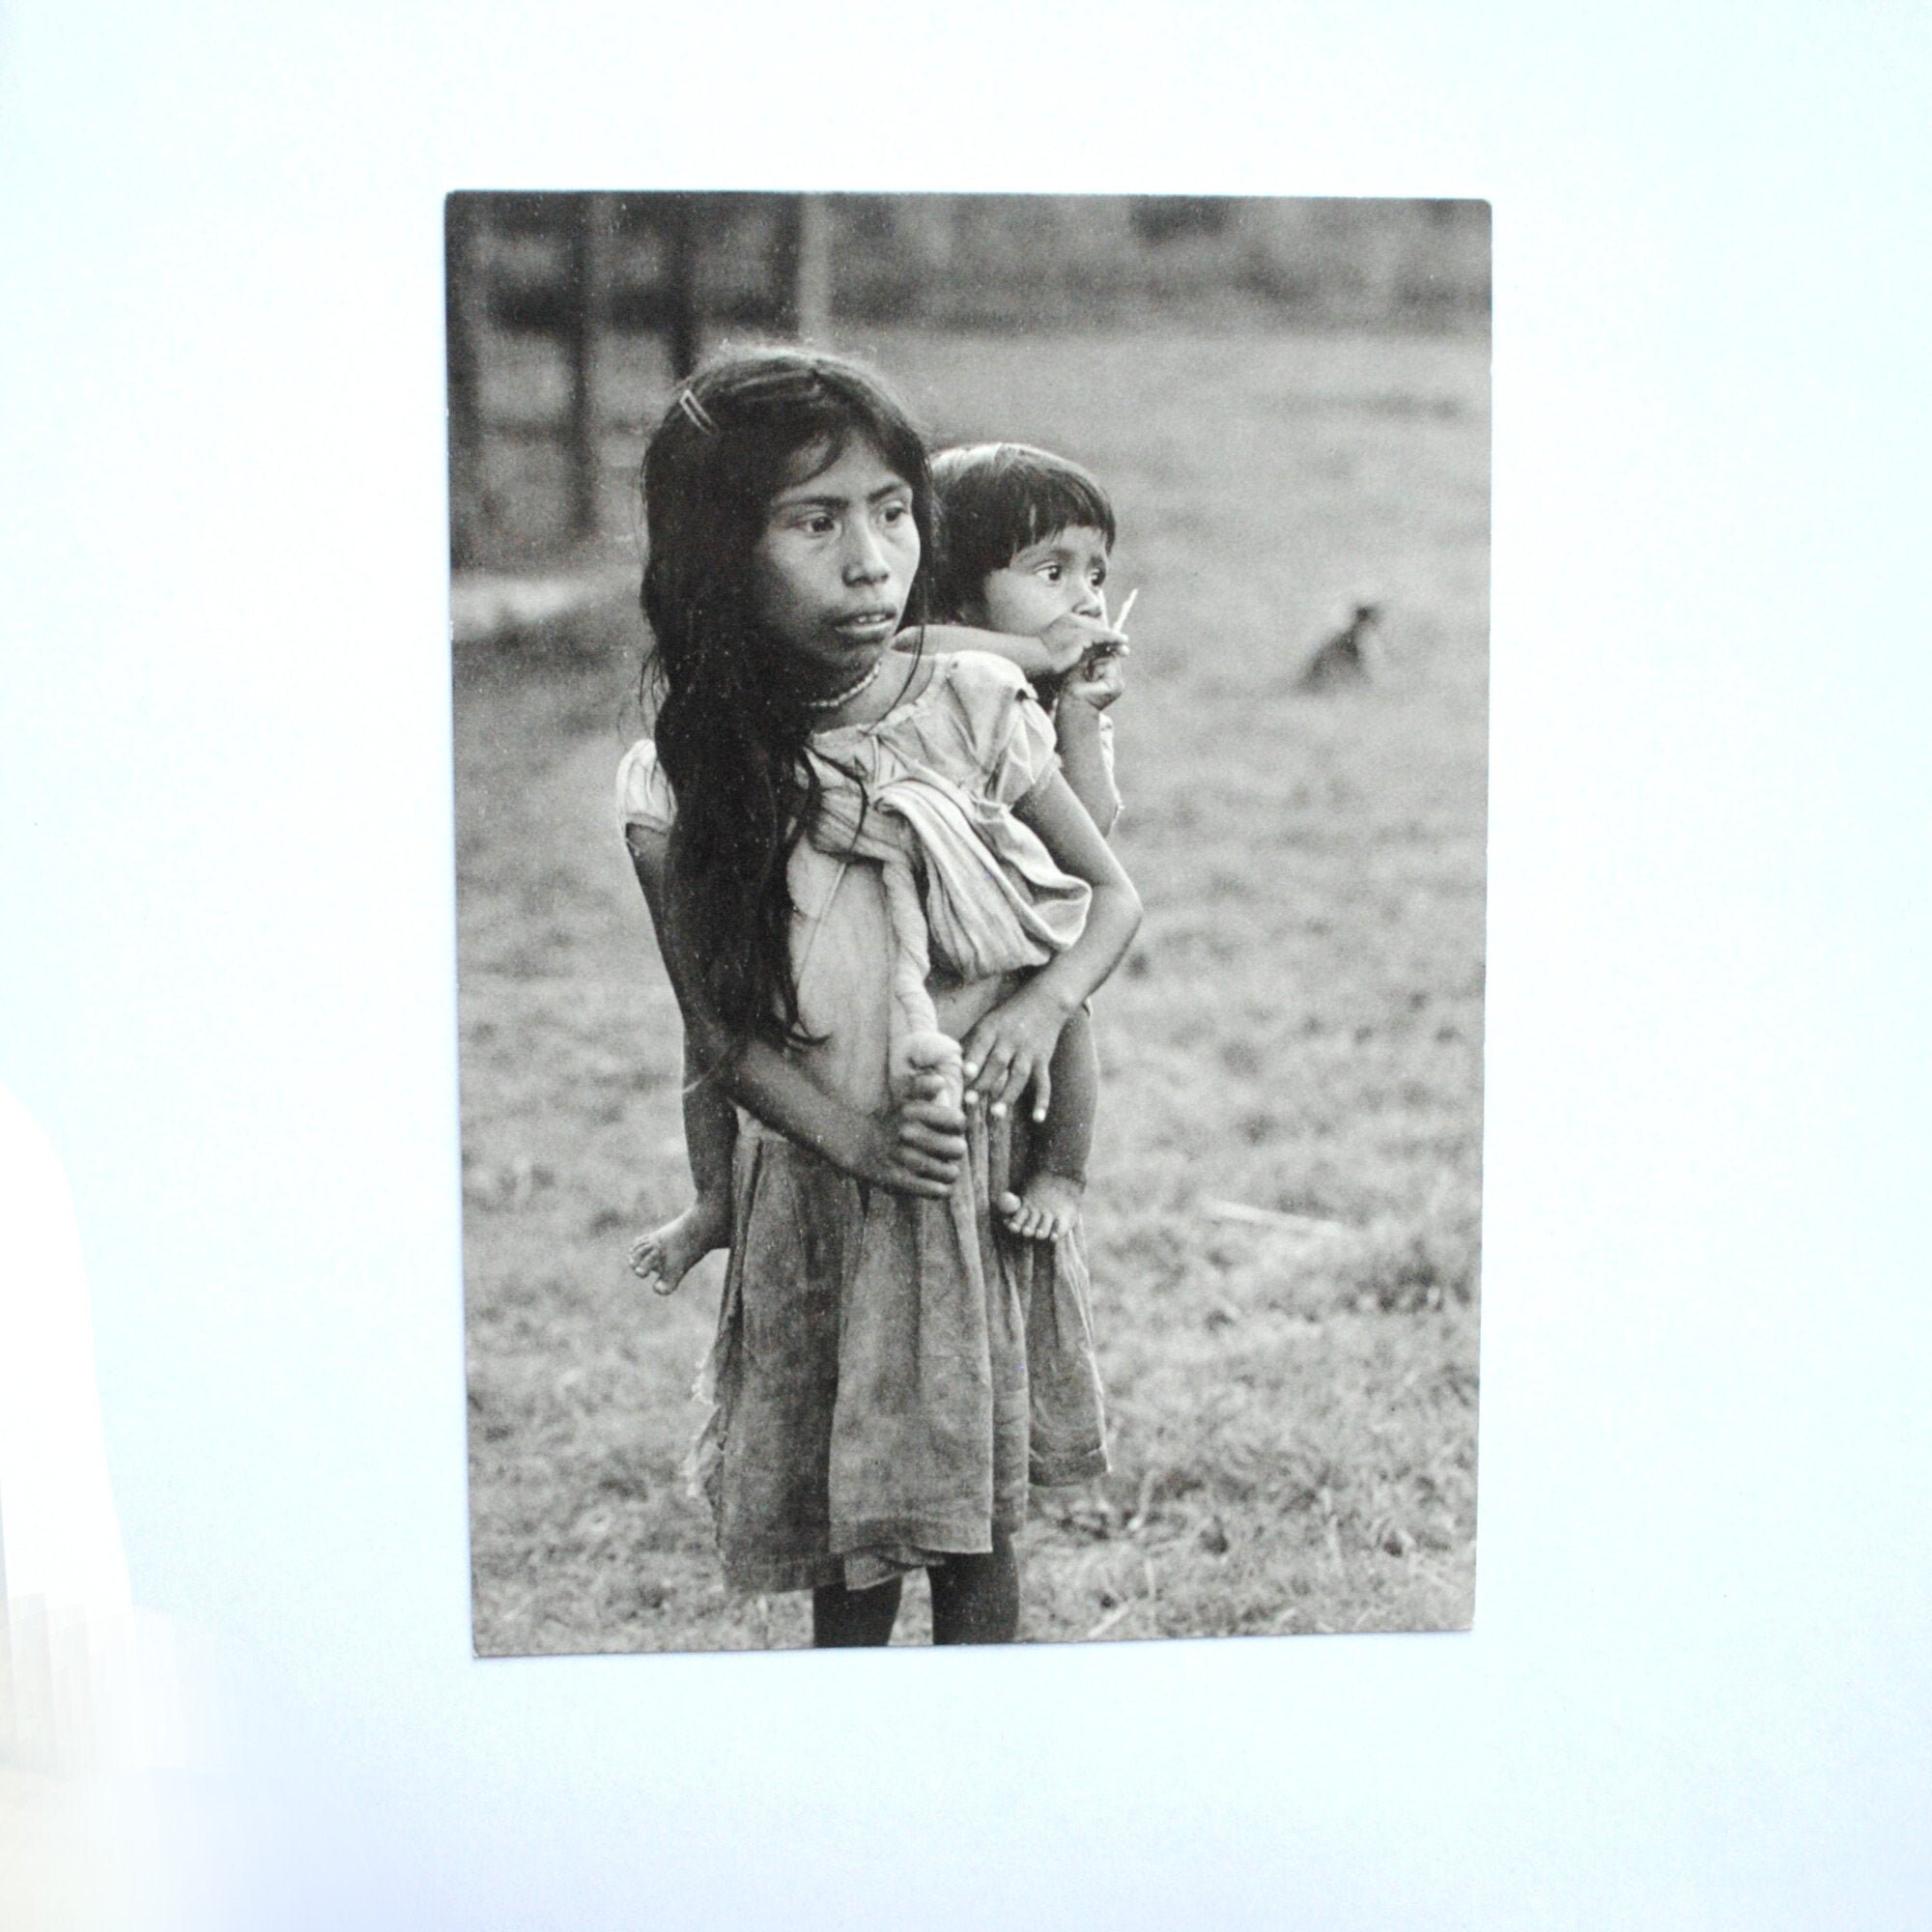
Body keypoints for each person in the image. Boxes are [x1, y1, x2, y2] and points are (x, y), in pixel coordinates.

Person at [615, 348, 1141, 1645]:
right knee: (846, 1552)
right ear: (716, 552)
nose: (870, 562)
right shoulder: (678, 784)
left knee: (977, 1537)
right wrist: (855, 1142)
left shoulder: (970, 705)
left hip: (971, 1183)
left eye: (893, 512)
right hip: (816, 1192)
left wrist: (1037, 1008)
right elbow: (721, 1038)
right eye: (813, 521)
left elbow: (1113, 897)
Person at [910, 441, 1132, 1244]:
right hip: (936, 930)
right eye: (1052, 573)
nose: (1085, 600)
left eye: (1097, 576)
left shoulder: (1055, 700)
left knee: (1070, 1003)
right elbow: (908, 648)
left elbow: (1093, 835)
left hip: (1020, 920)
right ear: (960, 583)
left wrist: (1077, 715)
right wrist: (1038, 651)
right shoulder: (932, 667)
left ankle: (1064, 1172)